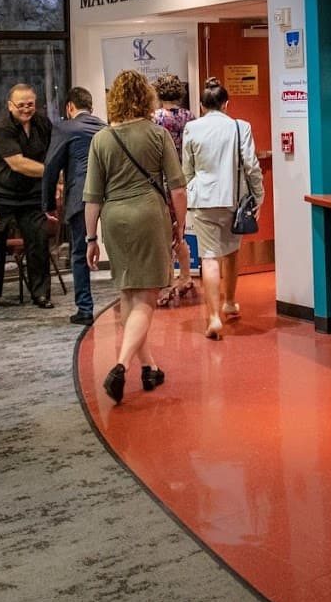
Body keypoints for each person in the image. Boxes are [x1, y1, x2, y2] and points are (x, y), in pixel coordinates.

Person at [83, 70, 187, 404]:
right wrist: (180, 225)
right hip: (148, 216)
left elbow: (92, 196)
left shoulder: (101, 140)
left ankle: (149, 367)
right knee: (147, 296)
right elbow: (177, 186)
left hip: (114, 219)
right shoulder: (157, 135)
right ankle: (120, 366)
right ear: (146, 97)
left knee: (129, 292)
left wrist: (90, 238)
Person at [181, 78, 264, 340]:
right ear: (227, 104)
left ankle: (214, 317)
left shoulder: (191, 128)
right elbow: (251, 166)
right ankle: (229, 302)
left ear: (202, 105)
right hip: (233, 199)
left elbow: (186, 170)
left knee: (209, 257)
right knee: (231, 251)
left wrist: (189, 192)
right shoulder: (240, 127)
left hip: (202, 199)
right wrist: (258, 196)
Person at [0, 82, 54, 309]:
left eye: (30, 104)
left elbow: (54, 149)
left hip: (30, 193)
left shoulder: (42, 123)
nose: (26, 109)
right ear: (10, 106)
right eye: (21, 105)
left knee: (38, 241)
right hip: (0, 192)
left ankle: (41, 294)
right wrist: (53, 172)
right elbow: (17, 163)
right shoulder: (2, 127)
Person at [42, 86, 105, 326]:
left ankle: (85, 309)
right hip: (109, 195)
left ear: (70, 107)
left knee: (79, 252)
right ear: (91, 107)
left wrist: (48, 204)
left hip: (81, 196)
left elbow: (50, 167)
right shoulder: (104, 127)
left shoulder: (65, 127)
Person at [151, 74, 197, 306]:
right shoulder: (190, 117)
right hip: (185, 180)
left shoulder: (156, 119)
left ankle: (167, 284)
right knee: (180, 229)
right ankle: (187, 275)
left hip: (163, 182)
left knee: (165, 234)